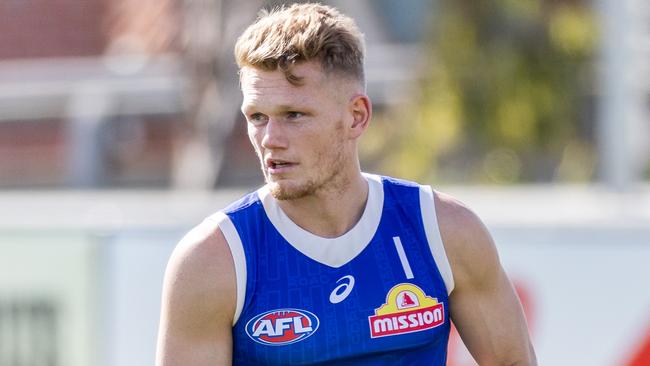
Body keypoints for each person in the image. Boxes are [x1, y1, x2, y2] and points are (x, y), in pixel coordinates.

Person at [156, 3, 536, 365]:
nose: (270, 138)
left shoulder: (443, 230)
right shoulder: (214, 261)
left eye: (294, 114)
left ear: (356, 116)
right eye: (257, 117)